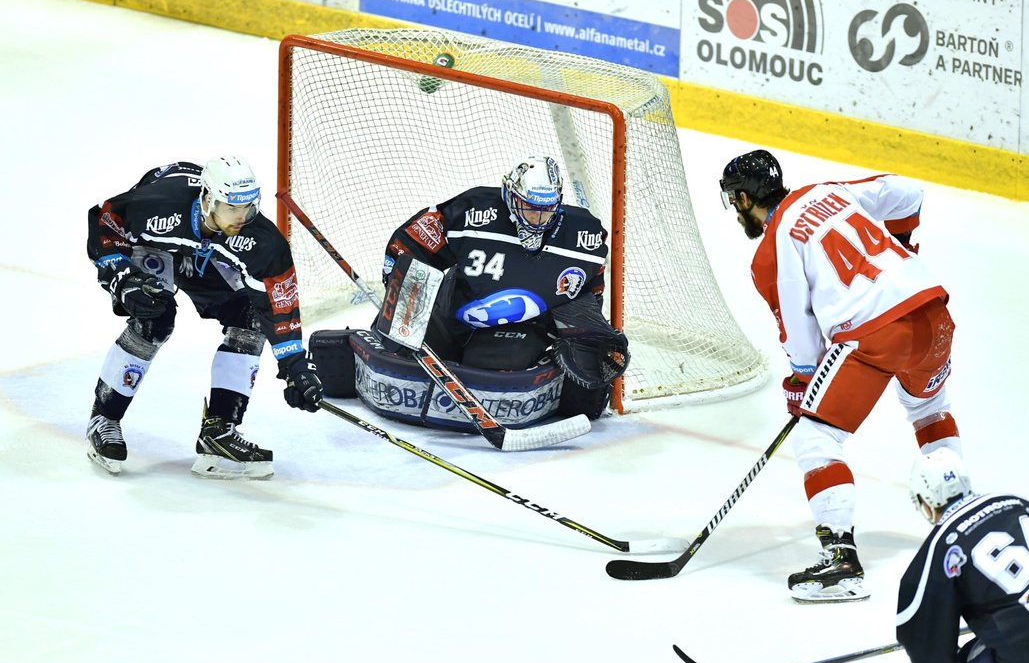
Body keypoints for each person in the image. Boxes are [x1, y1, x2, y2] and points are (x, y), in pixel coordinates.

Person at [719, 149, 961, 603]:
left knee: (815, 438)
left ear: (746, 198)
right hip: (932, 310)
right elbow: (907, 193)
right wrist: (903, 243)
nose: (736, 213)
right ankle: (963, 522)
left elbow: (799, 328)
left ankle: (841, 562)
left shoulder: (770, 252)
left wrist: (801, 383)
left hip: (875, 332)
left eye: (735, 201)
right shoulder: (829, 192)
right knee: (931, 411)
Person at [311, 155, 629, 431]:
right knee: (396, 343)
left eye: (547, 211)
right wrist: (403, 288)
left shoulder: (584, 235)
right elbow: (412, 243)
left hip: (521, 325)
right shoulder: (474, 210)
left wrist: (578, 330)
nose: (539, 220)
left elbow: (589, 290)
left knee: (489, 370)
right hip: (455, 305)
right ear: (510, 195)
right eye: (530, 209)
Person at [86, 157, 323, 480]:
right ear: (208, 200)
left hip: (206, 249)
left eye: (249, 208)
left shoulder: (260, 240)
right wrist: (123, 277)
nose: (242, 217)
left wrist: (295, 365)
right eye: (232, 208)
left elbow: (277, 303)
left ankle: (218, 432)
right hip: (153, 245)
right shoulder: (160, 206)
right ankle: (104, 418)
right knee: (156, 315)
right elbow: (105, 219)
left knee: (250, 317)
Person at [897, 449, 1029, 663]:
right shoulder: (1020, 503)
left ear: (924, 498)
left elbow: (923, 637)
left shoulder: (942, 545)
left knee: (975, 662)